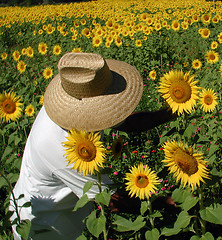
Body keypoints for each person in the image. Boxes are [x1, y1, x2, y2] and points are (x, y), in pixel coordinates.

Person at [9, 52, 176, 239]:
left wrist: (167, 114)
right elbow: (113, 201)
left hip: (68, 213)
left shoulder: (72, 106)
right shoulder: (62, 146)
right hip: (44, 226)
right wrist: (167, 203)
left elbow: (126, 122)